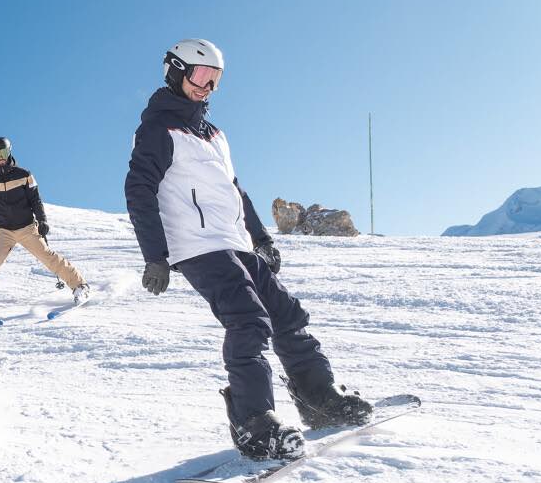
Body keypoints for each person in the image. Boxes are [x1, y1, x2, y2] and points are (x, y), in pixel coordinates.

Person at [125, 40, 371, 461]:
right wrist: (155, 255)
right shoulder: (158, 130)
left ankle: (318, 397)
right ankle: (254, 423)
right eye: (201, 77)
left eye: (216, 81)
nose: (208, 87)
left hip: (234, 241)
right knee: (249, 320)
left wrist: (261, 238)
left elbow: (234, 190)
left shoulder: (214, 134)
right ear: (175, 71)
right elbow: (138, 189)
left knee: (286, 314)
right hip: (197, 245)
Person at [0, 137, 89, 316]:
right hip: (3, 230)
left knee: (48, 257)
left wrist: (43, 220)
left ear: (9, 152)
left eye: (3, 152)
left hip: (26, 226)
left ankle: (80, 286)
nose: (0, 157)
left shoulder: (24, 175)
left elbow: (35, 200)